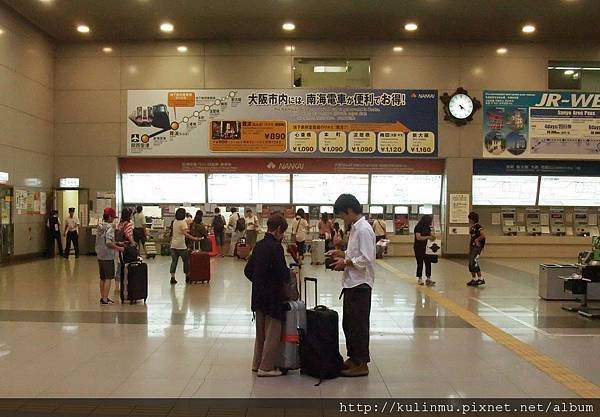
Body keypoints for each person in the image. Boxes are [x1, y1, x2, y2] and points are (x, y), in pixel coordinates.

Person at [326, 194, 375, 378]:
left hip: (360, 285)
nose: (342, 219)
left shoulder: (363, 229)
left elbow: (366, 258)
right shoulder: (355, 228)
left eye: (342, 215)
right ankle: (354, 358)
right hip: (352, 283)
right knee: (349, 324)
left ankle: (361, 363)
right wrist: (341, 253)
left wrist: (345, 263)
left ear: (349, 211)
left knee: (358, 325)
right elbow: (354, 253)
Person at [244, 214, 290, 377]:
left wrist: (259, 282)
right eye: (283, 232)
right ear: (278, 230)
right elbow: (282, 273)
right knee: (272, 331)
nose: (283, 235)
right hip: (273, 297)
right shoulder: (276, 247)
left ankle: (256, 363)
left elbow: (248, 271)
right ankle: (266, 367)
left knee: (260, 332)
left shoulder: (259, 245)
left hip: (258, 295)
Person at [95, 207, 124, 305]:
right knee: (108, 278)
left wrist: (116, 242)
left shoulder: (99, 226)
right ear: (110, 217)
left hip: (100, 255)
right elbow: (108, 243)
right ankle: (105, 299)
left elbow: (104, 240)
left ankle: (102, 297)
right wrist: (119, 248)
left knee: (102, 277)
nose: (114, 219)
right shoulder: (110, 228)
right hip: (108, 256)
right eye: (113, 217)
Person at [170, 207, 200, 284]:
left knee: (174, 262)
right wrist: (194, 238)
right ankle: (187, 276)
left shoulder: (175, 221)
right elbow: (186, 234)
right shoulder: (183, 222)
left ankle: (172, 277)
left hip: (173, 245)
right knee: (186, 261)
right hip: (181, 245)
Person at [115, 208, 135, 293]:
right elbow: (129, 235)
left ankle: (117, 287)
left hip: (118, 247)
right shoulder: (128, 224)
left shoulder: (119, 224)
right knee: (127, 266)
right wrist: (133, 243)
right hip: (126, 248)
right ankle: (126, 285)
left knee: (119, 266)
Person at [413, 214, 436, 286]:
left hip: (427, 248)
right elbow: (418, 238)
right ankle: (419, 278)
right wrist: (428, 237)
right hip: (418, 247)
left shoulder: (428, 227)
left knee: (428, 263)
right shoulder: (418, 227)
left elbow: (430, 235)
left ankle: (428, 278)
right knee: (420, 263)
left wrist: (433, 236)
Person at [467, 211, 486, 287]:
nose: (469, 220)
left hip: (477, 247)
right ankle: (474, 279)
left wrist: (477, 240)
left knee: (473, 262)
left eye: (470, 219)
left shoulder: (478, 226)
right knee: (470, 263)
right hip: (472, 246)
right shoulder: (473, 227)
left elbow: (483, 235)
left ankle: (481, 278)